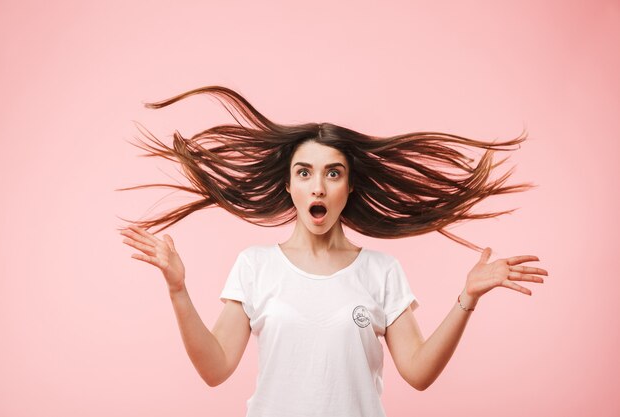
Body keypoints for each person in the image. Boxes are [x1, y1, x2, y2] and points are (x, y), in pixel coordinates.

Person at [117, 86, 549, 417]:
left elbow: (417, 373)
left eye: (333, 173)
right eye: (304, 173)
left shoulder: (382, 271)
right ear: (289, 185)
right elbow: (215, 370)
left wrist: (466, 299)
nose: (318, 186)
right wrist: (178, 290)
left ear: (349, 185)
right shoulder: (255, 266)